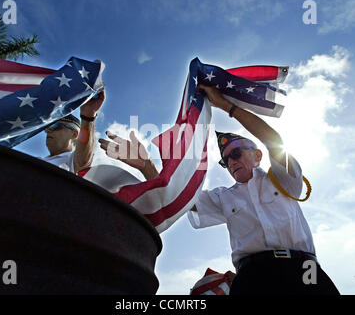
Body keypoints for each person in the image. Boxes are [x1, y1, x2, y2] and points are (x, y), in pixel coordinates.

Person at [98, 84, 339, 295]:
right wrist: (146, 165)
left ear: (257, 155)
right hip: (254, 274)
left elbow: (272, 139)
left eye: (236, 153)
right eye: (225, 161)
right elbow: (176, 195)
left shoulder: (282, 179)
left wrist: (225, 105)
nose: (231, 162)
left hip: (305, 269)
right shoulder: (223, 197)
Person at [42, 91, 105, 175]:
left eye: (55, 126)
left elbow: (82, 161)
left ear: (74, 134)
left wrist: (87, 117)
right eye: (47, 127)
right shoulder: (35, 160)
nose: (47, 131)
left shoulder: (71, 160)